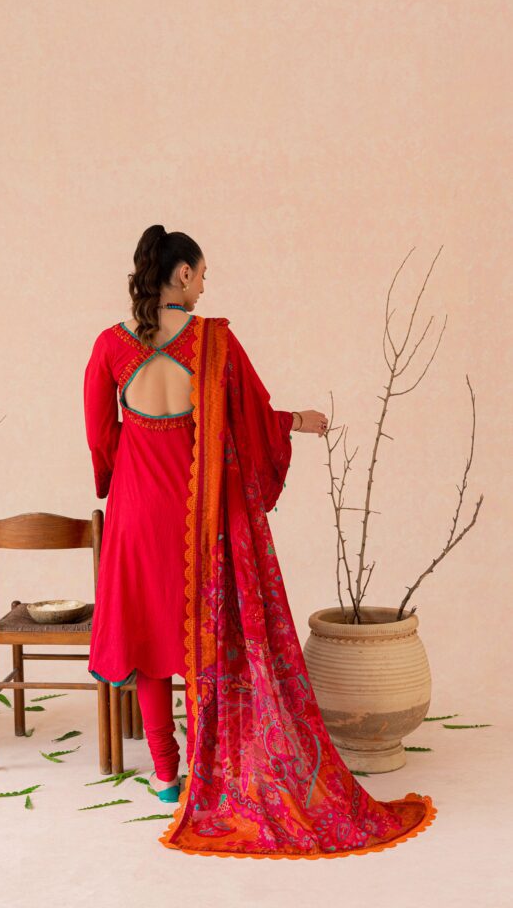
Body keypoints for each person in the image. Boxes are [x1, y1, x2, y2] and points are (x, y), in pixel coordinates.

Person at [83, 225, 436, 860]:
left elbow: (100, 441)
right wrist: (298, 421)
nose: (206, 283)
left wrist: (115, 482)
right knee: (199, 635)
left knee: (147, 637)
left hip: (136, 514)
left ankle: (166, 776)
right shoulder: (213, 342)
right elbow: (249, 418)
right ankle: (211, 766)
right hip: (196, 513)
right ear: (183, 274)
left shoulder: (109, 347)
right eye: (203, 272)